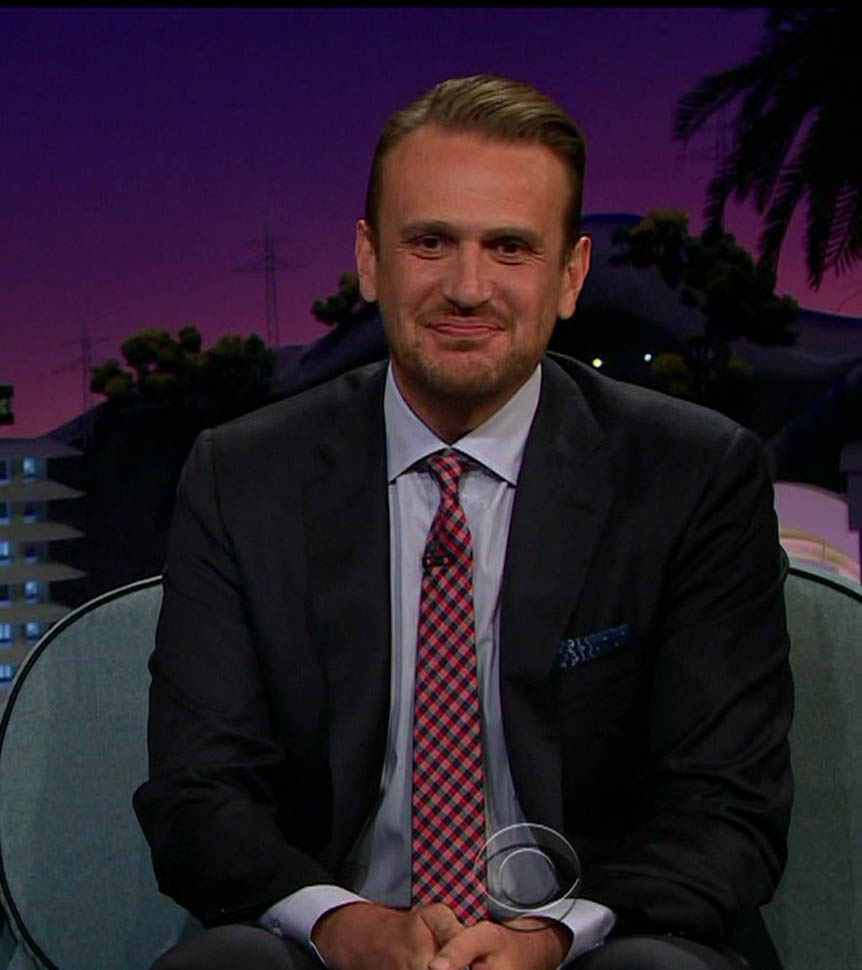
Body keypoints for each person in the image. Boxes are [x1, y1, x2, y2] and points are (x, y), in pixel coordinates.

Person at [133, 74, 793, 970]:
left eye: (510, 247)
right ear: (371, 259)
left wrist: (547, 938)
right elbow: (197, 795)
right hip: (334, 947)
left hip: (601, 942)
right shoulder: (244, 478)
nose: (467, 287)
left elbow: (726, 808)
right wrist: (340, 923)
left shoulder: (692, 476)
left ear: (570, 275)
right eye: (431, 242)